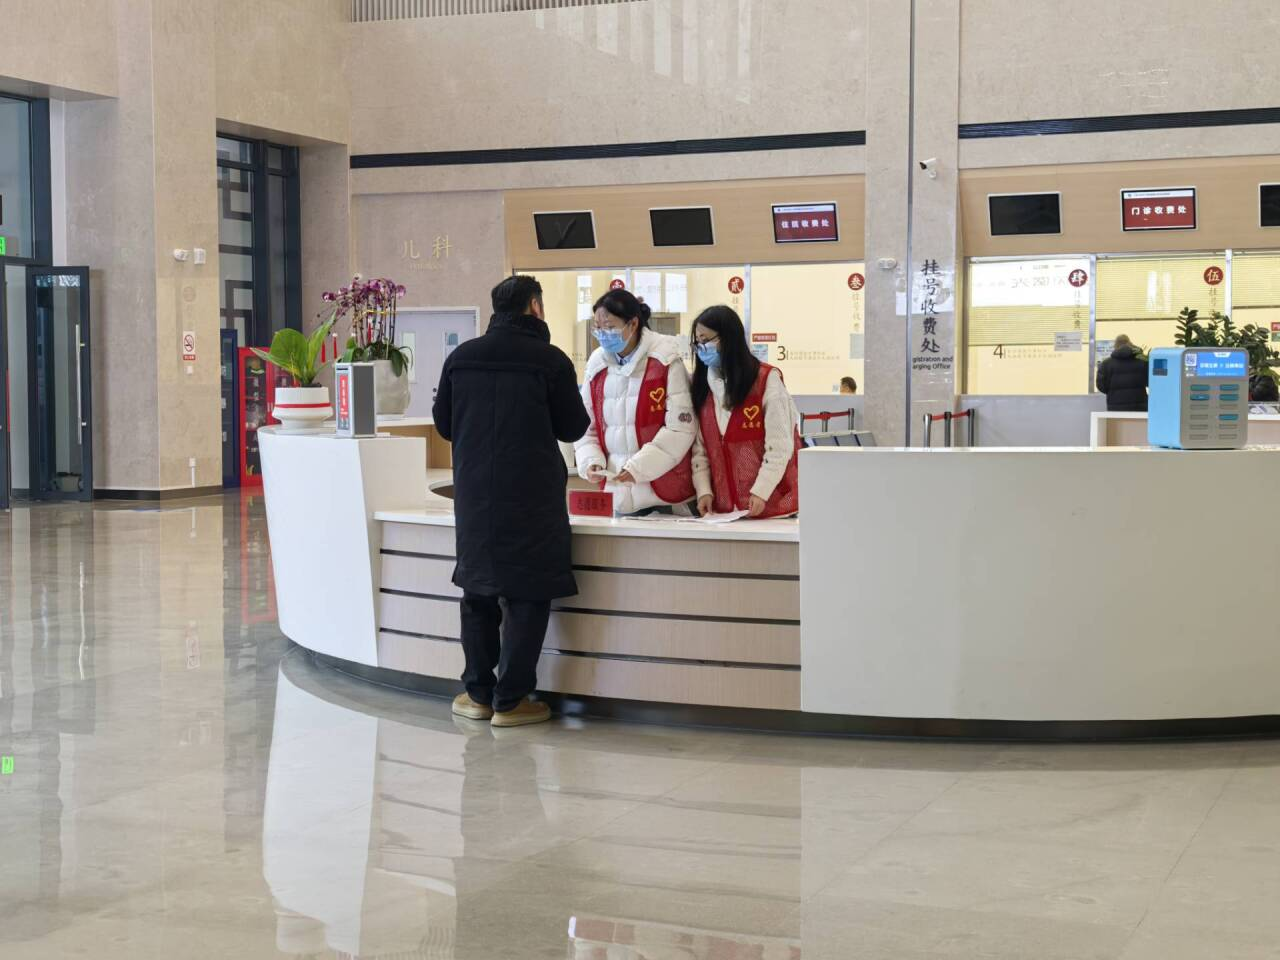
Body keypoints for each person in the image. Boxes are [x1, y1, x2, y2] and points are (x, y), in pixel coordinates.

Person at [432, 275, 590, 727]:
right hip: (531, 497)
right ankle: (512, 700)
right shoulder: (550, 361)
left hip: (475, 496)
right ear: (534, 307)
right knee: (527, 595)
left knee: (477, 593)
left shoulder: (461, 358)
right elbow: (573, 427)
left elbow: (444, 424)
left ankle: (477, 695)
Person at [573, 289, 696, 515]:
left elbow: (681, 429)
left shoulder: (665, 359)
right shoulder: (597, 364)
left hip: (665, 493)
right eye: (597, 328)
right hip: (617, 493)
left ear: (633, 324)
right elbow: (585, 426)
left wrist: (638, 468)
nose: (602, 334)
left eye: (609, 327)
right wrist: (591, 461)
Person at [690, 305, 802, 519]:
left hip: (774, 508)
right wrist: (704, 490)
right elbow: (700, 449)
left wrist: (761, 491)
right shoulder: (702, 387)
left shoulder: (766, 380)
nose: (701, 348)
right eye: (697, 342)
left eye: (706, 340)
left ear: (727, 338)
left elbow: (780, 446)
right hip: (726, 512)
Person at [1096, 334, 1149, 412]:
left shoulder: (1106, 364)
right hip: (1139, 406)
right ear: (1130, 343)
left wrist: (1112, 392)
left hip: (1115, 406)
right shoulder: (1142, 362)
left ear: (1115, 345)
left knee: (1117, 420)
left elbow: (1101, 385)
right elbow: (1149, 382)